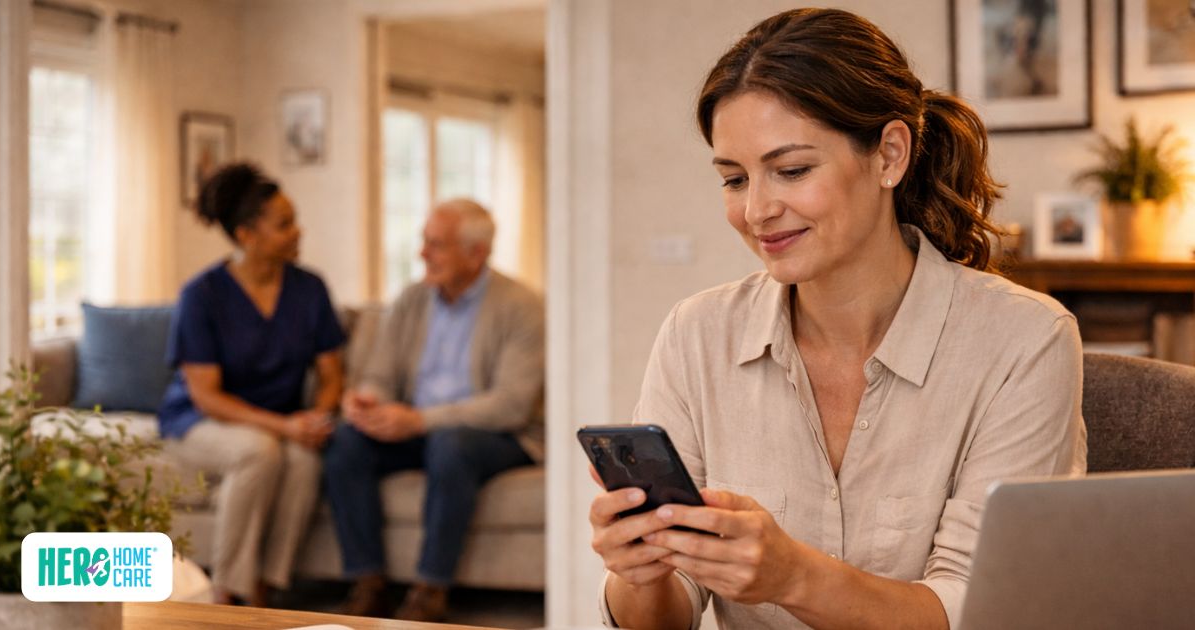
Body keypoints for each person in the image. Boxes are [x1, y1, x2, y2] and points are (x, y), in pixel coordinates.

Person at [589, 8, 1086, 630]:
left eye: (792, 170)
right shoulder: (696, 335)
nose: (758, 210)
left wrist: (793, 577)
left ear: (889, 156)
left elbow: (980, 610)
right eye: (735, 179)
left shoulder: (1024, 340)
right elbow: (666, 615)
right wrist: (644, 572)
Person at [323, 198, 545, 622]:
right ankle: (368, 582)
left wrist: (419, 421)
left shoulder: (521, 306)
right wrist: (367, 399)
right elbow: (380, 374)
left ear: (476, 253)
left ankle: (430, 590)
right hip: (418, 426)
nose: (422, 254)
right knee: (347, 442)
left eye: (436, 244)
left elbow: (511, 405)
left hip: (497, 434)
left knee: (451, 445)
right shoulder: (411, 299)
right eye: (424, 242)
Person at [157, 163, 346, 607]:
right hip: (200, 419)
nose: (298, 232)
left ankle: (264, 587)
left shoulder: (310, 288)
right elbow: (206, 395)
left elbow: (332, 374)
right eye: (284, 224)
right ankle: (226, 592)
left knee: (302, 457)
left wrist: (317, 417)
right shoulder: (201, 295)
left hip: (278, 421)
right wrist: (284, 428)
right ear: (246, 235)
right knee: (260, 451)